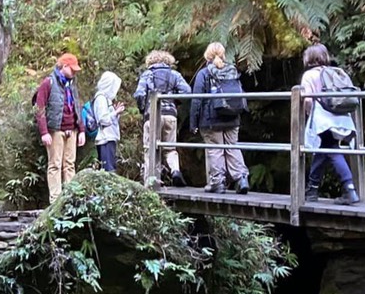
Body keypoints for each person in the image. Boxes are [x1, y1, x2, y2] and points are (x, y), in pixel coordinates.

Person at [300, 43, 359, 205]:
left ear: (309, 58)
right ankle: (312, 189)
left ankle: (349, 189)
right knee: (323, 148)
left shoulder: (309, 76)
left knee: (331, 150)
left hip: (323, 118)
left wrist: (307, 114)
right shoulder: (335, 72)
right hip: (340, 117)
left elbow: (307, 99)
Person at [189, 42, 250, 194]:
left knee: (215, 149)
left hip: (211, 119)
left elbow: (197, 99)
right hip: (232, 117)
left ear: (206, 56)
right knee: (232, 146)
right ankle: (241, 178)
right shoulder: (232, 70)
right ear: (223, 54)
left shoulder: (204, 73)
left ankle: (218, 182)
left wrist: (193, 123)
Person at [134, 50, 191, 186]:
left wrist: (143, 109)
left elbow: (139, 94)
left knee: (150, 149)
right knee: (170, 148)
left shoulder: (147, 74)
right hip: (170, 114)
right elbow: (187, 91)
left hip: (152, 115)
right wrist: (175, 101)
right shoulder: (174, 74)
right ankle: (175, 170)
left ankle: (150, 181)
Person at [35, 53, 85, 203]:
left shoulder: (72, 85)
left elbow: (77, 106)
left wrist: (81, 130)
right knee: (55, 165)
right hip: (55, 130)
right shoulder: (48, 83)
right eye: (72, 69)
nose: (74, 72)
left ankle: (70, 198)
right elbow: (40, 108)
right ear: (64, 66)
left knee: (70, 164)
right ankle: (55, 200)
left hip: (72, 130)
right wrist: (44, 132)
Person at [92, 70, 125, 172]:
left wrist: (116, 113)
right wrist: (115, 112)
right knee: (108, 170)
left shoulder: (106, 99)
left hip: (109, 137)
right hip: (104, 139)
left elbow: (109, 119)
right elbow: (103, 119)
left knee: (110, 168)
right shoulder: (101, 98)